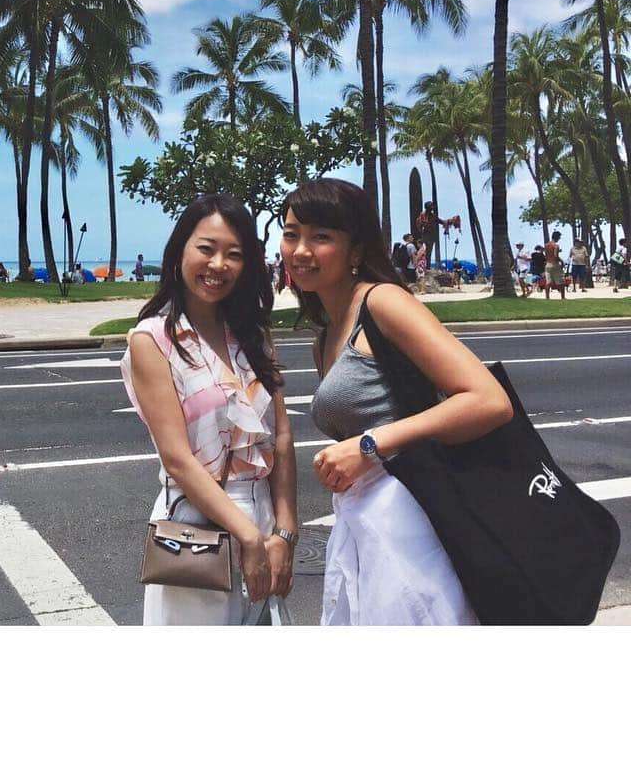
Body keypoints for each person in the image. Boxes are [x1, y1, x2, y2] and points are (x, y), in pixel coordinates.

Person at [279, 178, 512, 625]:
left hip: (414, 523)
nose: (301, 250)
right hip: (367, 523)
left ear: (357, 250)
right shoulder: (328, 333)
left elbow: (488, 399)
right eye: (291, 234)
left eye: (321, 237)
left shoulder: (383, 302)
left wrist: (368, 445)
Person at [120, 192, 296, 626]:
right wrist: (248, 537)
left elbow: (283, 438)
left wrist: (285, 533)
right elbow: (178, 460)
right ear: (180, 249)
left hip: (264, 521)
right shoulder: (153, 341)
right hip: (197, 527)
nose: (219, 264)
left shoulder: (251, 336)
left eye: (234, 254)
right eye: (206, 248)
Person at [543, 231, 565, 301]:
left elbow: (546, 255)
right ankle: (563, 297)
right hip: (555, 264)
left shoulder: (546, 245)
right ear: (557, 237)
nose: (559, 238)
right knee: (560, 282)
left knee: (548, 282)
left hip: (548, 264)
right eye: (559, 237)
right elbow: (555, 256)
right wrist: (561, 261)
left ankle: (547, 297)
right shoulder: (556, 245)